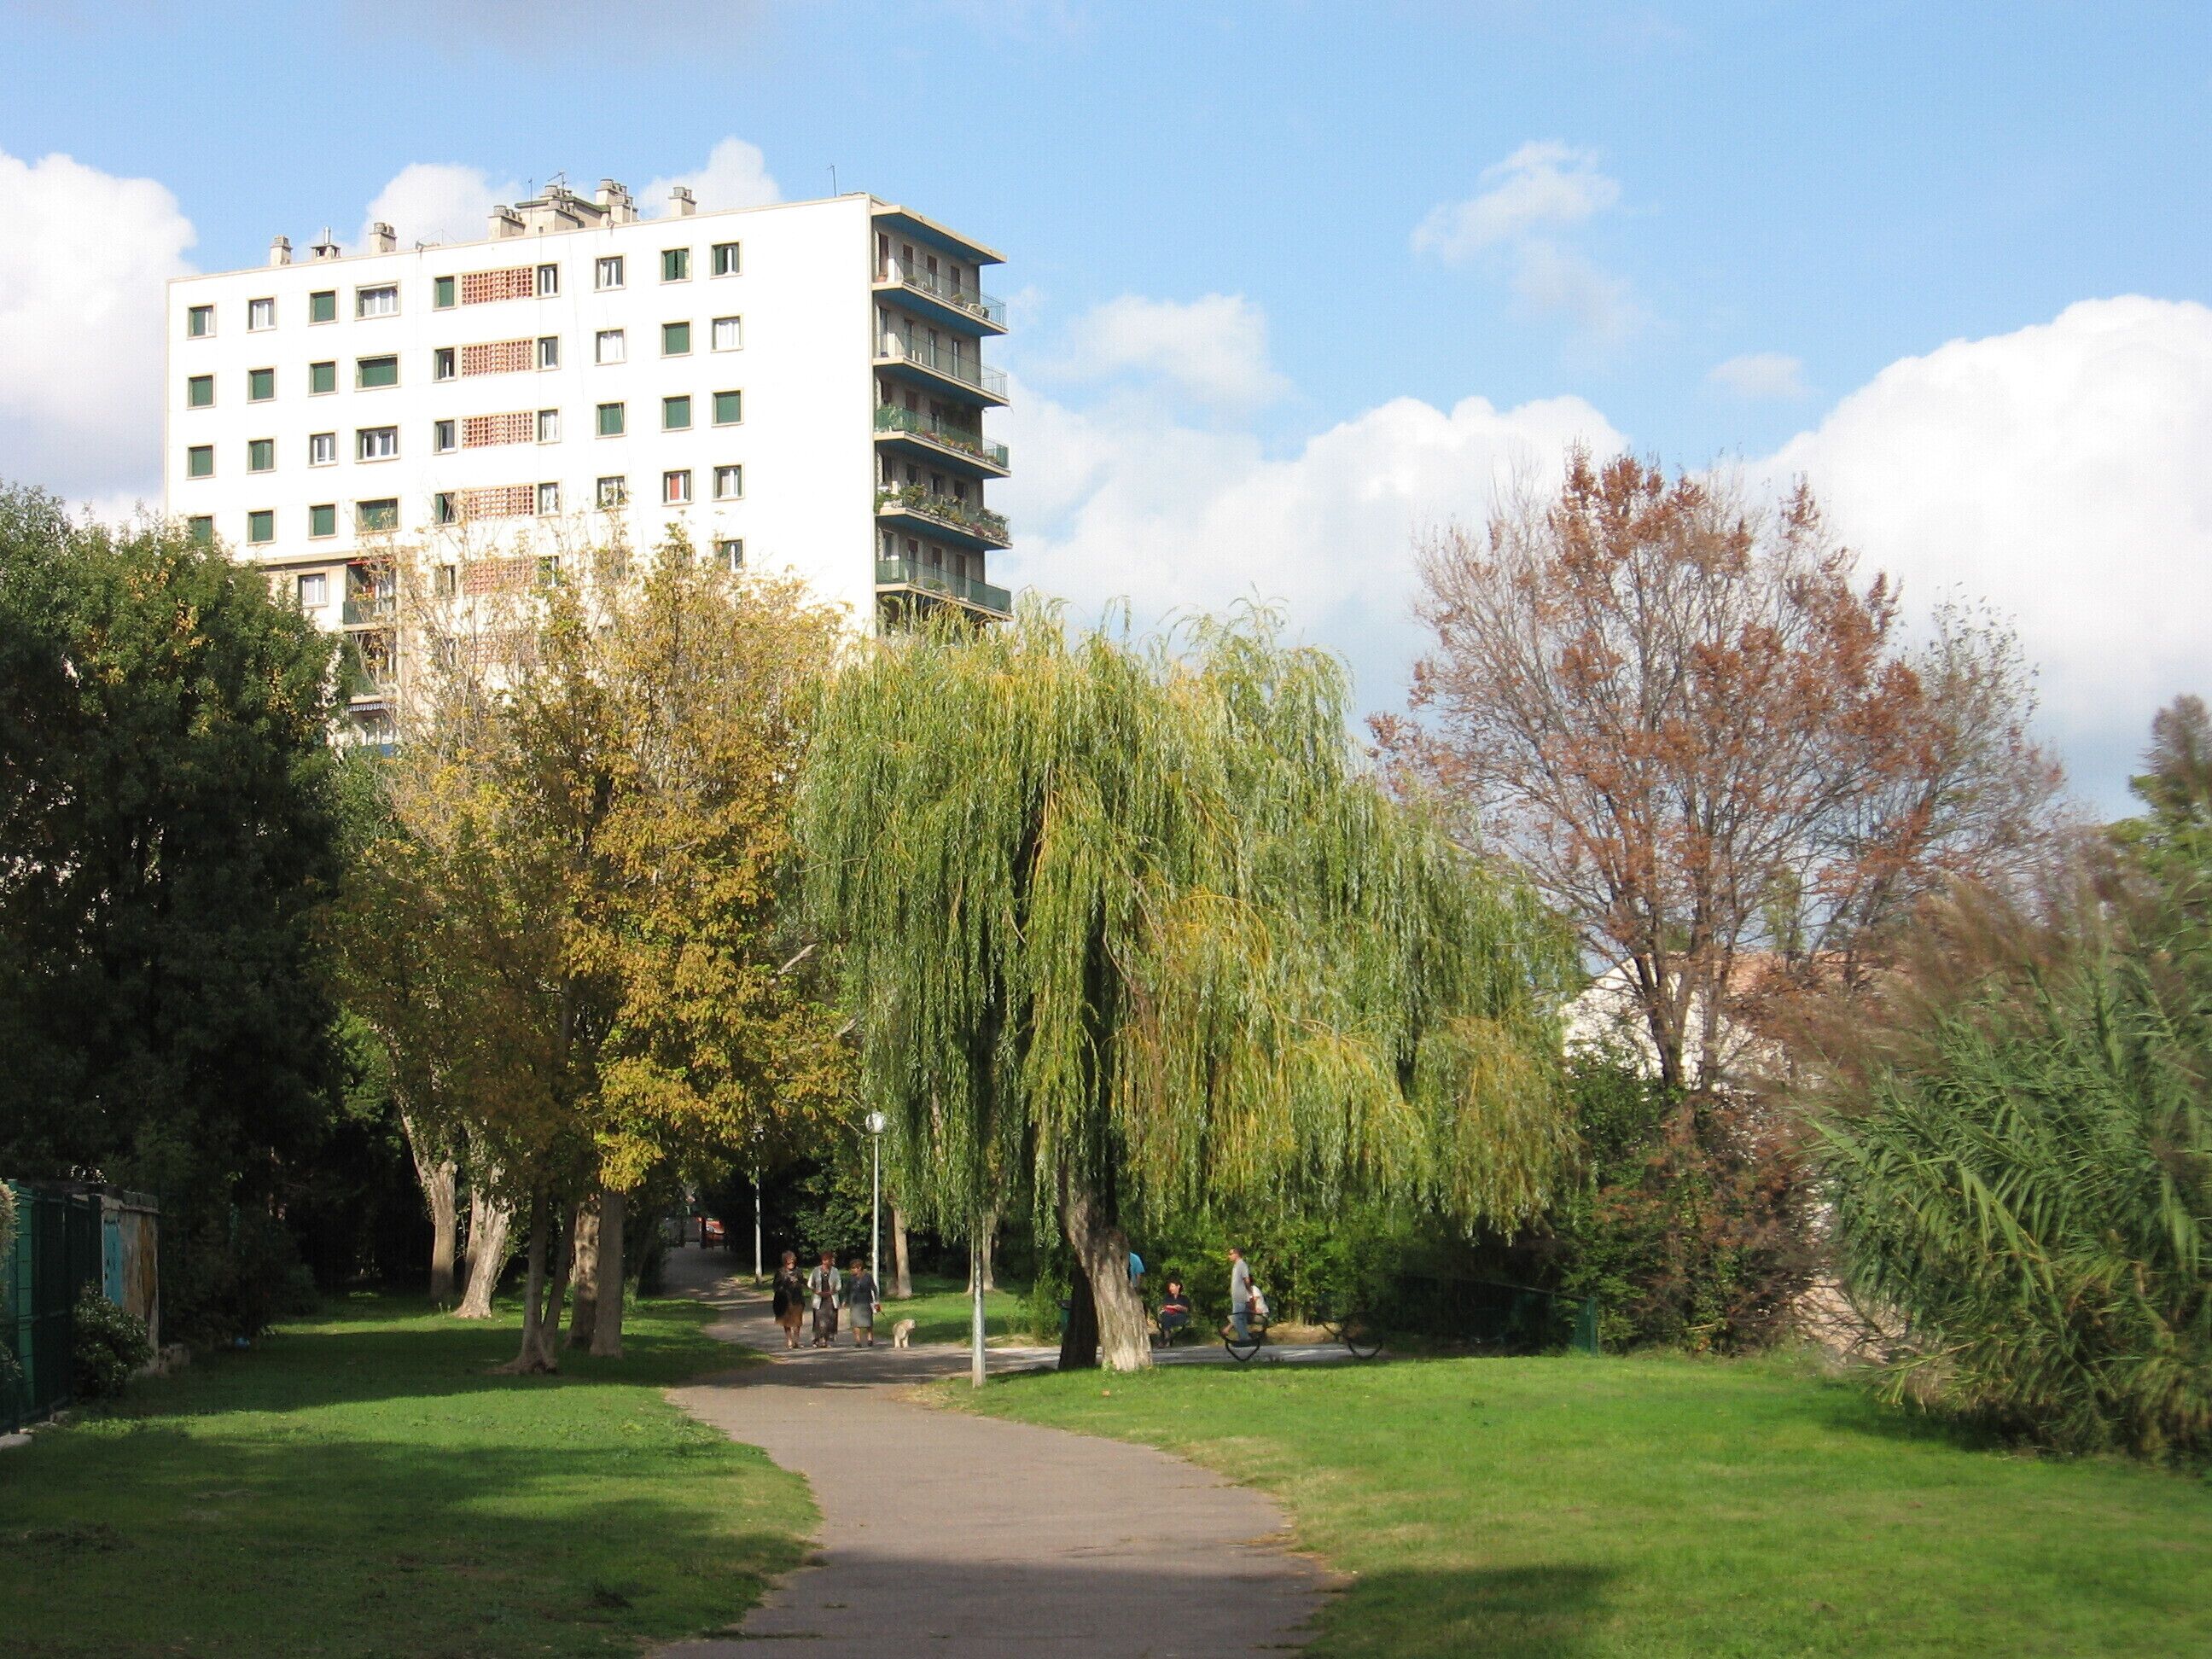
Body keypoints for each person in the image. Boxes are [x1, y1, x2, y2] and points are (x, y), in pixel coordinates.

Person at [771, 1250, 806, 1350]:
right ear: (784, 1262)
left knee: (798, 1321)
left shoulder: (798, 1271)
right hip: (785, 1299)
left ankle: (797, 1340)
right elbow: (775, 1286)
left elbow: (803, 1281)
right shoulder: (780, 1272)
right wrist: (786, 1283)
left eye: (793, 1262)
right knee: (786, 1321)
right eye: (789, 1262)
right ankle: (789, 1340)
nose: (791, 1264)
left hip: (797, 1298)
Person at [807, 1250, 841, 1348]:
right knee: (818, 1320)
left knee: (830, 1320)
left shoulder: (835, 1271)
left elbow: (839, 1285)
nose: (825, 1262)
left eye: (827, 1260)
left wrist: (833, 1291)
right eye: (824, 1260)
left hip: (830, 1298)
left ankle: (826, 1340)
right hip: (819, 1299)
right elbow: (810, 1284)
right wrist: (815, 1291)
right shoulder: (816, 1270)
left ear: (831, 1261)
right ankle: (817, 1339)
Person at [846, 1259, 881, 1348]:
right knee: (855, 1323)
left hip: (866, 1301)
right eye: (852, 1268)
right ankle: (858, 1341)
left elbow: (874, 1288)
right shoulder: (851, 1278)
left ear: (859, 1268)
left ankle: (870, 1339)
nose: (852, 1270)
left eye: (854, 1268)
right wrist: (845, 1300)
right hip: (854, 1302)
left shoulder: (867, 1277)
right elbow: (847, 1290)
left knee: (868, 1322)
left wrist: (876, 1301)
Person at [1226, 1246, 1255, 1343]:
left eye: (1230, 1254)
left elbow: (1246, 1279)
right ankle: (1244, 1337)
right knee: (1241, 1318)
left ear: (1237, 1254)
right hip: (1236, 1296)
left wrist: (1250, 1292)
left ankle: (1245, 1339)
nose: (1229, 1256)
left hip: (1240, 1296)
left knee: (1237, 1318)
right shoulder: (1236, 1265)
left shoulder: (1242, 1265)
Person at [1156, 1275, 1192, 1342]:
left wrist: (1180, 1308)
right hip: (1169, 1316)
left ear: (1178, 1286)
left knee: (1166, 1319)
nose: (1170, 1288)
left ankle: (1166, 1339)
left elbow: (1187, 1310)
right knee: (1166, 1315)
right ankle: (1167, 1338)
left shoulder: (1184, 1298)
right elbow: (1165, 1306)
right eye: (1170, 1287)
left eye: (1172, 1286)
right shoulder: (1167, 1297)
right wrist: (1172, 1307)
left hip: (1180, 1316)